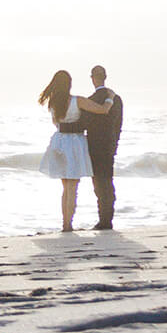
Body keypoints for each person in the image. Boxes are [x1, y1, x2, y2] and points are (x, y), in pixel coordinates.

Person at [36, 70, 113, 232]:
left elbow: (55, 123)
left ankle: (65, 224)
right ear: (69, 84)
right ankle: (68, 225)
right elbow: (103, 110)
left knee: (65, 187)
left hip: (59, 141)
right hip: (74, 142)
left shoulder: (53, 104)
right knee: (73, 187)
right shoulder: (78, 101)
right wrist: (110, 98)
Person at [81, 64, 123, 230]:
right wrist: (115, 143)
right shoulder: (116, 99)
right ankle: (108, 219)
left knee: (99, 184)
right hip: (109, 145)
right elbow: (118, 124)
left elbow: (84, 124)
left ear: (92, 78)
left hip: (94, 146)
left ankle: (103, 220)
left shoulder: (90, 100)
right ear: (105, 77)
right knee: (108, 182)